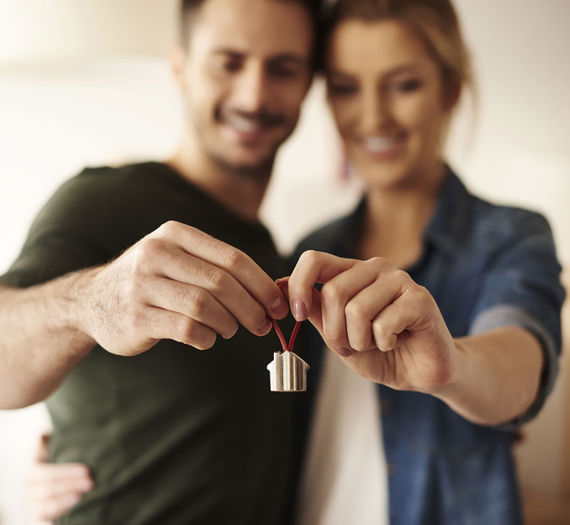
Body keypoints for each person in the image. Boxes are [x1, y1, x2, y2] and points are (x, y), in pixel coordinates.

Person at [23, 0, 567, 524]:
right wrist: (66, 445)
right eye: (348, 88)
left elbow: (520, 360)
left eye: (403, 84)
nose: (373, 115)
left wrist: (454, 368)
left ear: (449, 89)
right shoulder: (293, 248)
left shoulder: (502, 237)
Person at [0, 0, 321, 523]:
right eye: (228, 62)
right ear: (180, 68)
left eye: (283, 68)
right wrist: (93, 303)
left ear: (309, 83)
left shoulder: (277, 252)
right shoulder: (104, 201)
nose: (254, 94)